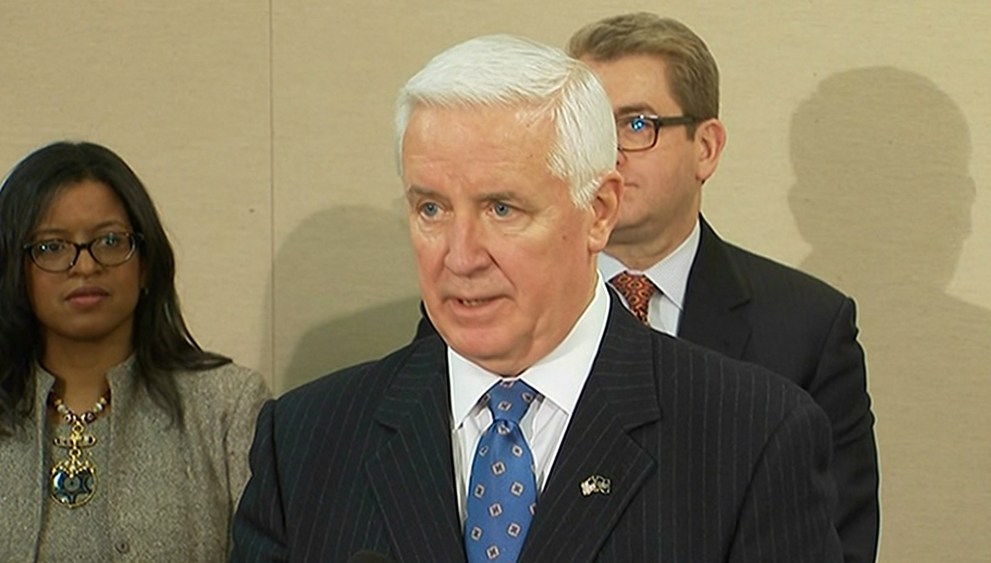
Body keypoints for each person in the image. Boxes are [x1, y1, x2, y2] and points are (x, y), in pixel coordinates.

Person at [231, 34, 841, 562]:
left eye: (502, 209)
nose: (461, 256)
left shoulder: (752, 436)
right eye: (431, 209)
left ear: (598, 212)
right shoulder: (306, 441)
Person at [565, 12, 879, 563]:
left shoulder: (807, 329)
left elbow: (835, 542)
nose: (606, 154)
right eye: (588, 127)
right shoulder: (496, 306)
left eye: (636, 125)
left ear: (706, 147)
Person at [0, 141, 271, 561]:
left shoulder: (226, 406)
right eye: (51, 247)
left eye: (110, 240)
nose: (86, 266)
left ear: (145, 263)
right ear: (13, 269)